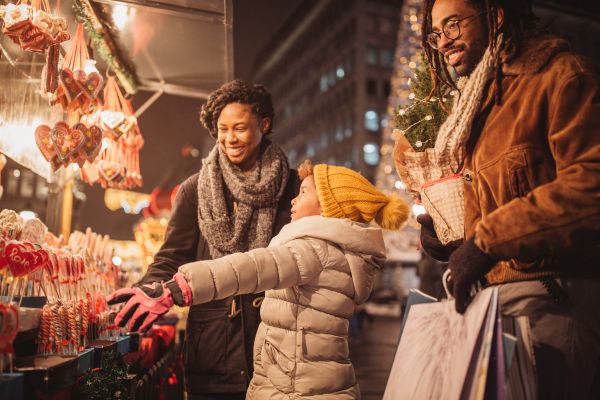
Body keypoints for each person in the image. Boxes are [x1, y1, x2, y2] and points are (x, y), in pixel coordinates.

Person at [415, 0, 600, 398]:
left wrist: (487, 241)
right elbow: (496, 202)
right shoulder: (483, 104)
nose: (443, 42)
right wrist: (450, 238)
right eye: (436, 33)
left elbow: (590, 185)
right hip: (495, 304)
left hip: (551, 302)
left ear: (495, 16)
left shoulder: (560, 75)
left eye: (453, 25)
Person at [109, 161, 409, 399]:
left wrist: (181, 287)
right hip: (307, 383)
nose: (294, 199)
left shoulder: (313, 249)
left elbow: (251, 267)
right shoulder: (332, 250)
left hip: (295, 390)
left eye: (304, 192)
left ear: (330, 206)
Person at [107, 80, 300, 399]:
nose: (229, 138)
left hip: (277, 339)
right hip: (214, 344)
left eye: (239, 128)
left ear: (264, 125)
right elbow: (172, 256)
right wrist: (150, 288)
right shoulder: (195, 190)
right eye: (223, 129)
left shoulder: (293, 188)